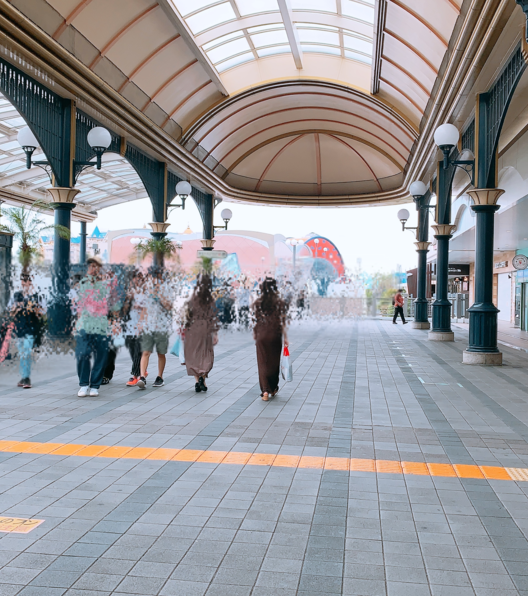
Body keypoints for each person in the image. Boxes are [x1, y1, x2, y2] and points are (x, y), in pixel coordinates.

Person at [73, 255, 120, 397]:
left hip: (101, 325)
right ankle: (83, 384)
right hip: (84, 325)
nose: (94, 269)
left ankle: (95, 385)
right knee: (82, 354)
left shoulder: (106, 285)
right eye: (91, 266)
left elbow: (115, 306)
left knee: (101, 355)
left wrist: (115, 323)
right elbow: (76, 306)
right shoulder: (80, 284)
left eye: (96, 266)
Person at [253, 277, 289, 401]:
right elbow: (283, 321)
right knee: (274, 362)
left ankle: (265, 391)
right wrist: (286, 337)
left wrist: (255, 333)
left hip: (261, 335)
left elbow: (256, 320)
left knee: (262, 362)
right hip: (275, 334)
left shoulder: (258, 302)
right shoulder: (280, 302)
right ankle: (273, 387)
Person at [136, 268, 173, 389]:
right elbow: (143, 308)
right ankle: (142, 377)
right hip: (148, 326)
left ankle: (160, 377)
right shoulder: (147, 290)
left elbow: (169, 307)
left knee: (160, 353)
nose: (155, 280)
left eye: (157, 277)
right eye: (153, 277)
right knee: (145, 352)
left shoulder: (167, 290)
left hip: (161, 327)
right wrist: (140, 323)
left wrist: (160, 295)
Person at [184, 273, 218, 393]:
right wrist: (215, 333)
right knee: (206, 353)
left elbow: (186, 314)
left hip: (193, 327)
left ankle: (197, 380)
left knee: (194, 354)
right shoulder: (209, 298)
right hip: (205, 328)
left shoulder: (192, 296)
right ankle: (203, 378)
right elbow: (213, 316)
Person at [11, 291, 43, 388]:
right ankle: (24, 376)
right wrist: (15, 311)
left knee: (26, 354)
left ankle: (27, 378)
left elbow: (38, 317)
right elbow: (11, 319)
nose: (18, 303)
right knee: (22, 355)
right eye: (17, 301)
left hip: (29, 334)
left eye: (20, 301)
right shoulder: (15, 309)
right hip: (19, 335)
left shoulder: (29, 308)